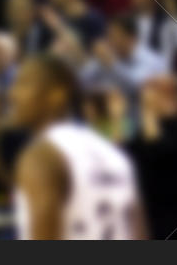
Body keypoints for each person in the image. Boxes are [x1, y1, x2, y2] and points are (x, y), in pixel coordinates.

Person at [9, 53, 144, 240]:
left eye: (24, 84)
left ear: (57, 95)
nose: (12, 94)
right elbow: (139, 232)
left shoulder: (43, 155)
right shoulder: (115, 156)